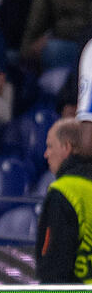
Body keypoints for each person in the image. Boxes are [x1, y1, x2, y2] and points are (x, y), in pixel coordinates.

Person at [36, 118, 92, 283]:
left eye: (50, 146)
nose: (46, 154)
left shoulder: (64, 191)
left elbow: (54, 262)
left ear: (66, 147)